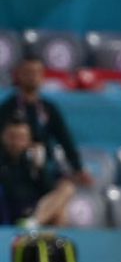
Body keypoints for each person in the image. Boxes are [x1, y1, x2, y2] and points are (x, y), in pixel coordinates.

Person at [0, 58, 91, 187]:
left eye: (36, 73)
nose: (32, 77)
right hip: (13, 169)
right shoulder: (7, 108)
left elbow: (65, 139)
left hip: (44, 168)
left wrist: (78, 168)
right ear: (19, 74)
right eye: (28, 72)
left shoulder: (49, 109)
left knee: (66, 188)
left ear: (42, 76)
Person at [0, 119, 73, 227]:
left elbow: (49, 190)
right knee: (58, 213)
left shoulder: (30, 161)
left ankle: (34, 223)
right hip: (16, 208)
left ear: (29, 141)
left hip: (37, 209)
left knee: (67, 189)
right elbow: (13, 192)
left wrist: (39, 168)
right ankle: (34, 224)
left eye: (21, 138)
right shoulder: (3, 161)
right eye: (12, 137)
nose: (16, 142)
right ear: (4, 138)